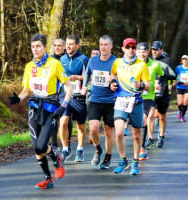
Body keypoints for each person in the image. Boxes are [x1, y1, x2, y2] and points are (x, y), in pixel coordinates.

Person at [9, 34, 71, 189]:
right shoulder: (29, 66)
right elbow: (27, 90)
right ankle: (48, 179)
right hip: (34, 108)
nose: (35, 49)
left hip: (50, 108)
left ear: (44, 47)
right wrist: (18, 99)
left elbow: (69, 87)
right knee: (37, 147)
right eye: (32, 47)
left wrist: (64, 105)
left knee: (41, 146)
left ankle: (56, 159)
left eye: (38, 46)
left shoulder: (55, 64)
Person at [110, 38, 150, 175]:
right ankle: (123, 160)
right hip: (121, 101)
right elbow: (113, 75)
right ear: (123, 49)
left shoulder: (142, 65)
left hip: (136, 102)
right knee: (119, 132)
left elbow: (148, 86)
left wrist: (141, 85)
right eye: (128, 47)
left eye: (133, 47)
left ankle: (135, 161)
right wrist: (113, 83)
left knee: (137, 136)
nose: (131, 50)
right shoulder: (117, 62)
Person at [81, 35, 116, 169]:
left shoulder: (116, 61)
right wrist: (84, 86)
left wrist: (114, 81)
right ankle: (97, 149)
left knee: (108, 131)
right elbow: (87, 74)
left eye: (106, 45)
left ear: (111, 46)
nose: (103, 47)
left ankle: (108, 156)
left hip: (110, 101)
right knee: (94, 128)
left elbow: (119, 77)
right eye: (101, 45)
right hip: (94, 99)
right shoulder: (93, 60)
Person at [59, 35, 89, 164]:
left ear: (77, 45)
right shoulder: (61, 59)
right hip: (65, 96)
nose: (68, 46)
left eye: (71, 44)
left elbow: (89, 76)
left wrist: (78, 77)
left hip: (79, 96)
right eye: (67, 44)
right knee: (63, 121)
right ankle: (65, 148)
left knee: (80, 126)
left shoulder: (84, 59)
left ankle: (80, 149)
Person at [136, 42, 164, 161]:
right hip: (135, 96)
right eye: (139, 51)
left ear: (148, 52)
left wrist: (159, 85)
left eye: (144, 51)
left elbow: (162, 75)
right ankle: (139, 143)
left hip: (149, 96)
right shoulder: (132, 64)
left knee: (146, 118)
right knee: (136, 123)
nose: (141, 54)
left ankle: (143, 147)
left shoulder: (155, 65)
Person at [148, 41, 176, 148]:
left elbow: (173, 75)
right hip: (150, 92)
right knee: (150, 114)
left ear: (162, 50)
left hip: (163, 92)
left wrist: (163, 76)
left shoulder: (167, 60)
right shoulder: (148, 60)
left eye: (157, 49)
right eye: (153, 49)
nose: (154, 51)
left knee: (161, 116)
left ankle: (161, 136)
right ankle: (150, 138)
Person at [50, 38, 66, 154]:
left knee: (66, 120)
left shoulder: (67, 59)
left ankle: (67, 142)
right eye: (55, 45)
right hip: (55, 93)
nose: (57, 47)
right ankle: (54, 143)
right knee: (54, 117)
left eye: (60, 45)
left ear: (64, 47)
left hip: (68, 92)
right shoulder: (50, 60)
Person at [173, 55, 188, 122]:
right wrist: (173, 83)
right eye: (183, 59)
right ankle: (180, 111)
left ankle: (183, 115)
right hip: (179, 86)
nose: (184, 61)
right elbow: (174, 76)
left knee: (185, 101)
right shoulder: (178, 68)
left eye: (186, 59)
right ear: (181, 61)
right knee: (180, 103)